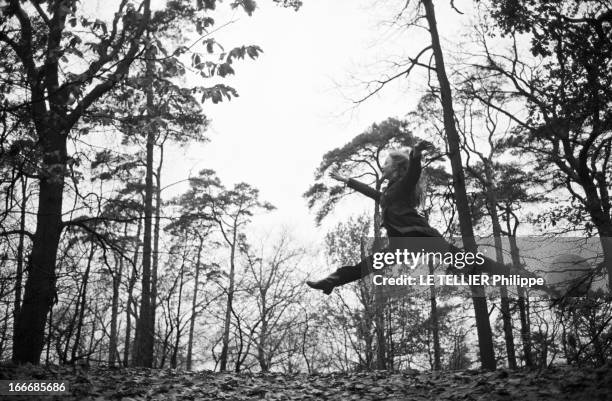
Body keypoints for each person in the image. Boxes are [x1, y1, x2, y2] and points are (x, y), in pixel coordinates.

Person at [307, 140, 458, 295]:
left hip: (419, 236)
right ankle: (331, 281)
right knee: (366, 265)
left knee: (460, 258)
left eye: (386, 163)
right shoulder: (389, 194)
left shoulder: (403, 186)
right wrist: (347, 180)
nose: (382, 166)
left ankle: (471, 266)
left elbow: (413, 174)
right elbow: (372, 193)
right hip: (400, 244)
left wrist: (416, 154)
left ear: (396, 167)